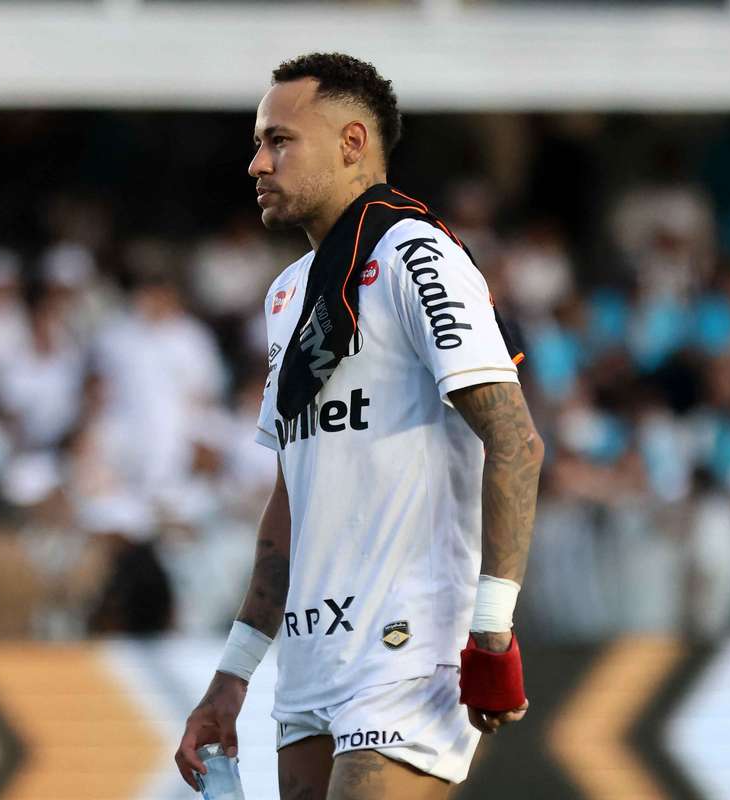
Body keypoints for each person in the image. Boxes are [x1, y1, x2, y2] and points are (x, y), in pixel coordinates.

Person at [174, 53, 543, 799]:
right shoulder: (286, 297)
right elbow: (288, 506)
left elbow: (515, 439)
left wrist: (492, 635)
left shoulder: (416, 254)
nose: (255, 163)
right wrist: (232, 676)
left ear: (351, 144)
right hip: (310, 660)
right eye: (257, 142)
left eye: (279, 141)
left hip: (412, 649)